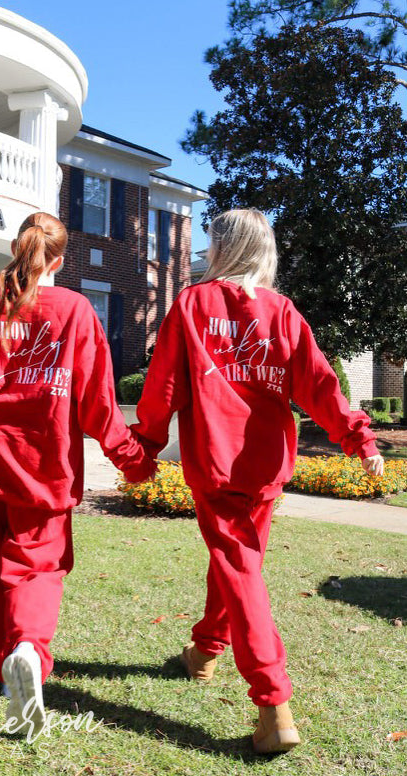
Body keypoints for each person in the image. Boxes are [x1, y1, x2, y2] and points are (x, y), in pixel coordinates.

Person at [130, 209, 384, 754]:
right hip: (266, 466)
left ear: (223, 249)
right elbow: (320, 385)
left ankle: (274, 706)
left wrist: (143, 447)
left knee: (240, 570)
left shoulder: (193, 304)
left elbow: (163, 386)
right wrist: (358, 437)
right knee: (238, 565)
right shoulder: (281, 311)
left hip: (217, 463)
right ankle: (204, 651)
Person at [0, 211, 156, 735]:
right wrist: (134, 460)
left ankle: (11, 669)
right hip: (44, 464)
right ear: (59, 260)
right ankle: (28, 649)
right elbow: (98, 405)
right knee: (36, 568)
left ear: (17, 248)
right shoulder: (75, 310)